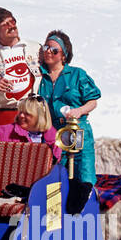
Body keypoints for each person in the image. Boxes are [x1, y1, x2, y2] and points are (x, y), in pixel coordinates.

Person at [37, 30, 101, 184]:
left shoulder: (77, 74)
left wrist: (79, 111)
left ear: (64, 55)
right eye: (46, 48)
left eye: (54, 50)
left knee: (83, 175)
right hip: (52, 133)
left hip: (77, 129)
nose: (49, 52)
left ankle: (87, 206)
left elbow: (93, 101)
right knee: (55, 178)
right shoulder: (38, 77)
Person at [0, 96, 62, 161]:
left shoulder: (53, 137)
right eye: (20, 111)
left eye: (27, 113)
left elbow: (55, 162)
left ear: (39, 116)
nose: (21, 115)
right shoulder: (4, 132)